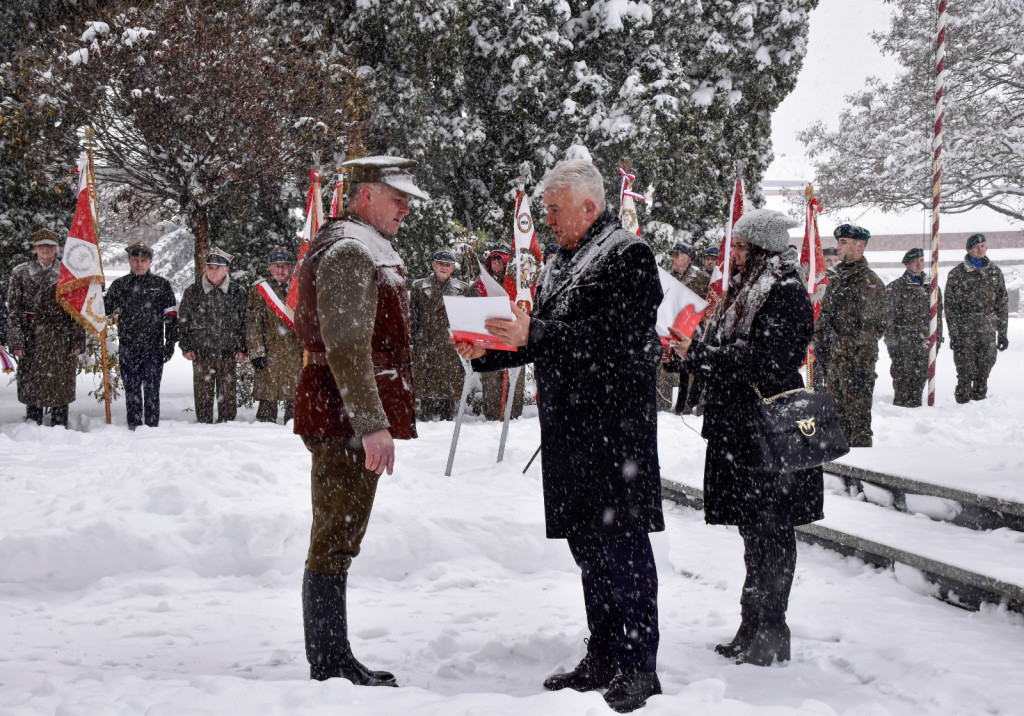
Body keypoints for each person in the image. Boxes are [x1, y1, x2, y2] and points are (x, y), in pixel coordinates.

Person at [456, 159, 665, 713]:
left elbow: (620, 343)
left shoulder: (629, 256)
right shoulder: (560, 262)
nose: (546, 219)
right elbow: (547, 339)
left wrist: (538, 331)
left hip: (615, 436)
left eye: (553, 210)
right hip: (571, 435)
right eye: (545, 209)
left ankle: (640, 665)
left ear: (589, 207)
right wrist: (493, 350)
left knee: (625, 551)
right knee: (588, 551)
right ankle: (602, 652)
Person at [292, 155, 428, 688]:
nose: (406, 210)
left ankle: (332, 655)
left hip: (344, 411)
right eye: (399, 200)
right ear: (366, 195)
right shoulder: (350, 248)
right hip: (342, 416)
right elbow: (348, 346)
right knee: (336, 536)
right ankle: (329, 662)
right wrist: (371, 423)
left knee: (341, 532)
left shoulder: (362, 242)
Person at [669, 209, 823, 668]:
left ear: (761, 249)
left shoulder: (787, 292)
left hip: (770, 432)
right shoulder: (743, 292)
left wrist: (702, 355)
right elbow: (724, 350)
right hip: (742, 429)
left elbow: (765, 361)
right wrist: (688, 355)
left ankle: (772, 627)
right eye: (733, 246)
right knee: (753, 531)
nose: (732, 254)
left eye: (739, 247)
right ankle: (752, 621)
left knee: (772, 532)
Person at [813, 224, 886, 447]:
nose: (838, 247)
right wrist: (821, 343)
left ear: (859, 245)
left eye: (843, 242)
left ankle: (862, 471)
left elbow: (871, 328)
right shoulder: (834, 279)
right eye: (838, 242)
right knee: (836, 419)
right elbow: (823, 316)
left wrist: (844, 348)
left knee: (858, 423)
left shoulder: (870, 282)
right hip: (834, 362)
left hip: (857, 364)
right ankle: (843, 470)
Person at [6, 229, 86, 427]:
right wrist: (16, 340)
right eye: (42, 246)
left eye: (49, 246)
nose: (46, 250)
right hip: (31, 336)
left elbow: (77, 310)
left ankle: (60, 424)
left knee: (60, 381)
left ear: (56, 248)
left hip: (61, 336)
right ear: (35, 248)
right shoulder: (20, 272)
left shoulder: (68, 273)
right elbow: (14, 310)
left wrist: (77, 339)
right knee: (33, 382)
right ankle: (34, 424)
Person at [104, 242, 178, 429]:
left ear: (150, 262)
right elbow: (104, 310)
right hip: (128, 347)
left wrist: (170, 343)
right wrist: (97, 290)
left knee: (152, 390)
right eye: (135, 260)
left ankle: (152, 427)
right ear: (129, 261)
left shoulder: (161, 285)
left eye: (143, 260)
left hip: (153, 348)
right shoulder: (120, 285)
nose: (139, 264)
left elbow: (171, 317)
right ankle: (134, 426)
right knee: (132, 390)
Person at [177, 247, 247, 423]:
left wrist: (242, 347)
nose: (212, 271)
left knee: (228, 399)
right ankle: (203, 429)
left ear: (227, 269)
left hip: (228, 353)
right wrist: (186, 346)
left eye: (217, 267)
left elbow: (245, 323)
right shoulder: (193, 292)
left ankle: (227, 430)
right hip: (201, 353)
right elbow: (183, 321)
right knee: (202, 398)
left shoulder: (238, 292)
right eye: (210, 267)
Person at [410, 248, 479, 421]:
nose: (444, 267)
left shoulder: (463, 289)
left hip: (450, 345)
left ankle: (448, 420)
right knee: (425, 388)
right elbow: (413, 317)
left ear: (453, 268)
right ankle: (425, 419)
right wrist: (412, 341)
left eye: (448, 265)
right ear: (433, 265)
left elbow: (468, 318)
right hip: (426, 342)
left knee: (449, 389)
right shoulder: (419, 287)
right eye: (441, 264)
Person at [945, 233, 1009, 403]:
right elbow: (950, 308)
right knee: (965, 372)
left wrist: (1002, 333)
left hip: (988, 330)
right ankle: (962, 406)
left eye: (983, 246)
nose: (980, 249)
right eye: (976, 247)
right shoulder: (956, 274)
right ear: (969, 250)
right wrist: (955, 334)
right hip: (965, 331)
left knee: (984, 370)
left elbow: (1002, 305)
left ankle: (980, 406)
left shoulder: (995, 272)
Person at [246, 247, 303, 423]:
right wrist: (257, 352)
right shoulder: (260, 290)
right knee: (267, 402)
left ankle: (292, 431)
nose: (281, 270)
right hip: (269, 352)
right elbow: (253, 324)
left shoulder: (300, 288)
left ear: (292, 267)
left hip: (296, 353)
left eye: (285, 266)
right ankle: (264, 438)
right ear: (270, 268)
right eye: (277, 266)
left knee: (297, 403)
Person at [884, 248, 943, 407]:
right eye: (915, 261)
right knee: (902, 378)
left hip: (924, 341)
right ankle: (900, 409)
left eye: (922, 260)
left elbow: (938, 317)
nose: (919, 264)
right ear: (906, 264)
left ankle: (916, 410)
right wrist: (892, 343)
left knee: (920, 377)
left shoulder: (933, 287)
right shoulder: (895, 288)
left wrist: (938, 340)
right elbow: (888, 319)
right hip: (903, 342)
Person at [474, 242, 526, 421]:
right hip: (489, 334)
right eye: (493, 259)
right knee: (491, 374)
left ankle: (514, 414)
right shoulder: (481, 283)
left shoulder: (518, 283)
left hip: (513, 333)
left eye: (500, 260)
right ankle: (492, 415)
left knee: (515, 373)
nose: (496, 263)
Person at [663, 241, 711, 413]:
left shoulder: (702, 280)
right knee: (680, 371)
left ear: (688, 259)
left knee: (695, 372)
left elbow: (710, 306)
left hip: (695, 334)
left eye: (677, 255)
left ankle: (692, 405)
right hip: (673, 332)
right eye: (672, 255)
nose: (672, 259)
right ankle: (680, 406)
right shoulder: (670, 278)